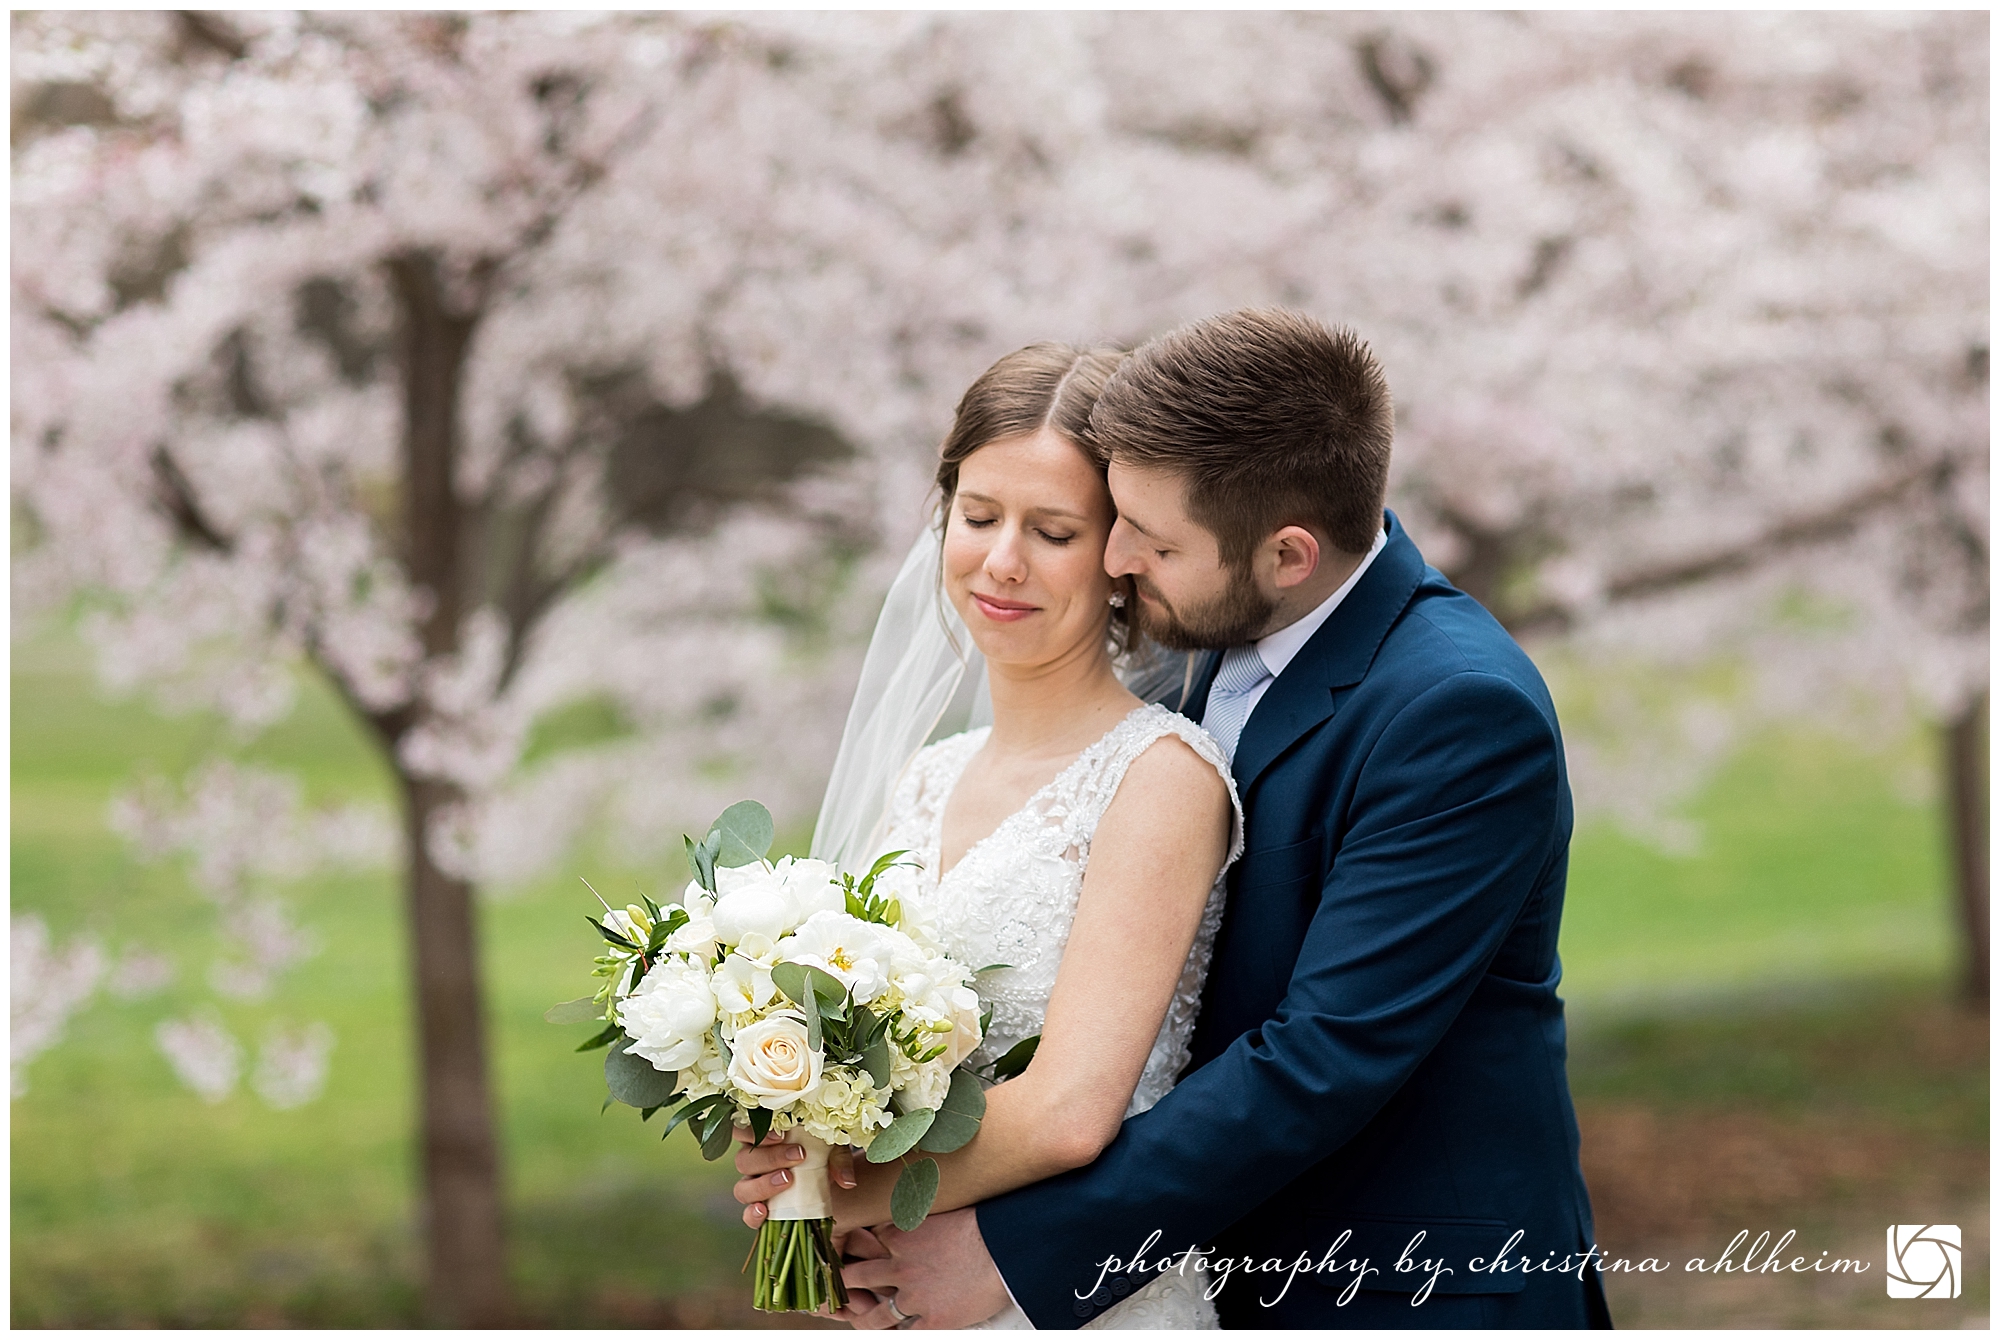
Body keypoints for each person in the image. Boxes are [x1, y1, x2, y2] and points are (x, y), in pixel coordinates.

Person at [740, 310, 1608, 1329]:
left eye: (1148, 540)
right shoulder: (1206, 635)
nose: (1115, 561)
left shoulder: (1455, 709)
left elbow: (1319, 1058)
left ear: (1286, 553)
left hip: (1395, 1283)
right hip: (1205, 1265)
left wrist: (1005, 1246)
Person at [742, 339, 1244, 1327]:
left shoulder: (1159, 778)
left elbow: (1068, 1111)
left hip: (1082, 1301)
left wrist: (825, 1186)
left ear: (1119, 558)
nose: (1001, 560)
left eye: (1052, 530)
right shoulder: (923, 778)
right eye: (977, 516)